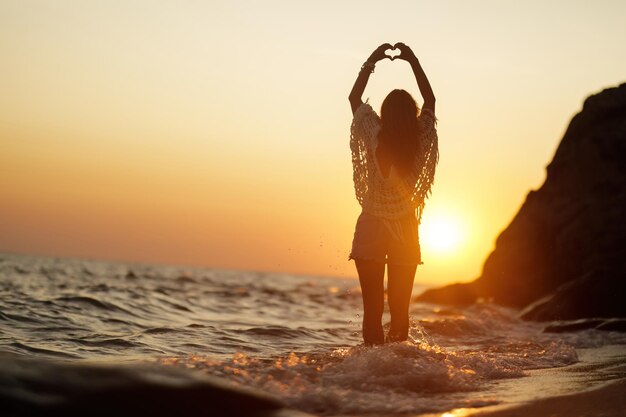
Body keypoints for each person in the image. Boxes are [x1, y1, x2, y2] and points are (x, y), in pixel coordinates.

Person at [348, 42, 438, 345]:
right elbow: (430, 99)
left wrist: (372, 60)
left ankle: (373, 375)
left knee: (371, 312)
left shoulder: (373, 132)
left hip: (372, 224)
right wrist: (412, 60)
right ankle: (398, 376)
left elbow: (354, 98)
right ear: (410, 113)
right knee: (401, 313)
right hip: (405, 227)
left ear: (384, 112)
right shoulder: (421, 137)